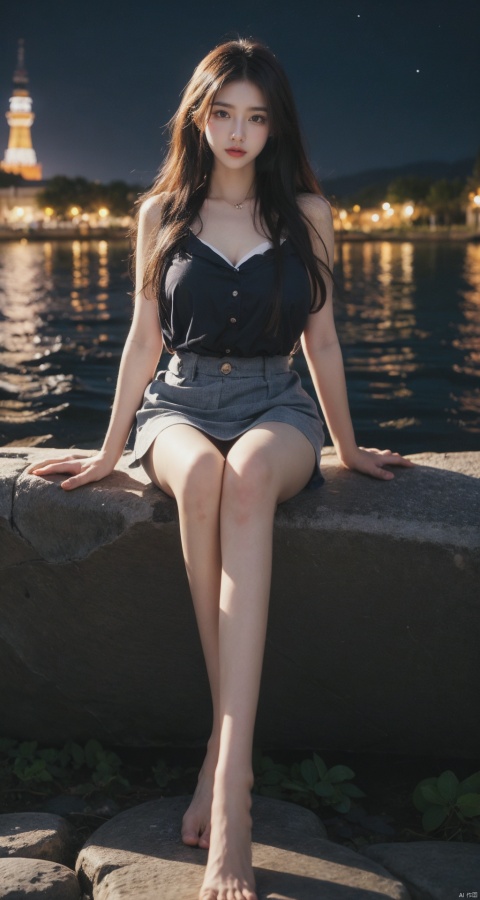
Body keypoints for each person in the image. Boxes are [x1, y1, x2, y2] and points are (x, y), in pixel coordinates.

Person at [28, 38, 414, 900]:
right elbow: (142, 340)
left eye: (256, 116)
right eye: (223, 113)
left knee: (244, 484)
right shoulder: (160, 214)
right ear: (199, 118)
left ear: (276, 126)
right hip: (178, 404)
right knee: (201, 478)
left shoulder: (307, 211)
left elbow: (320, 338)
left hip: (279, 403)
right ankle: (228, 755)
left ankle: (227, 784)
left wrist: (346, 447)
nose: (238, 132)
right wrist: (106, 448)